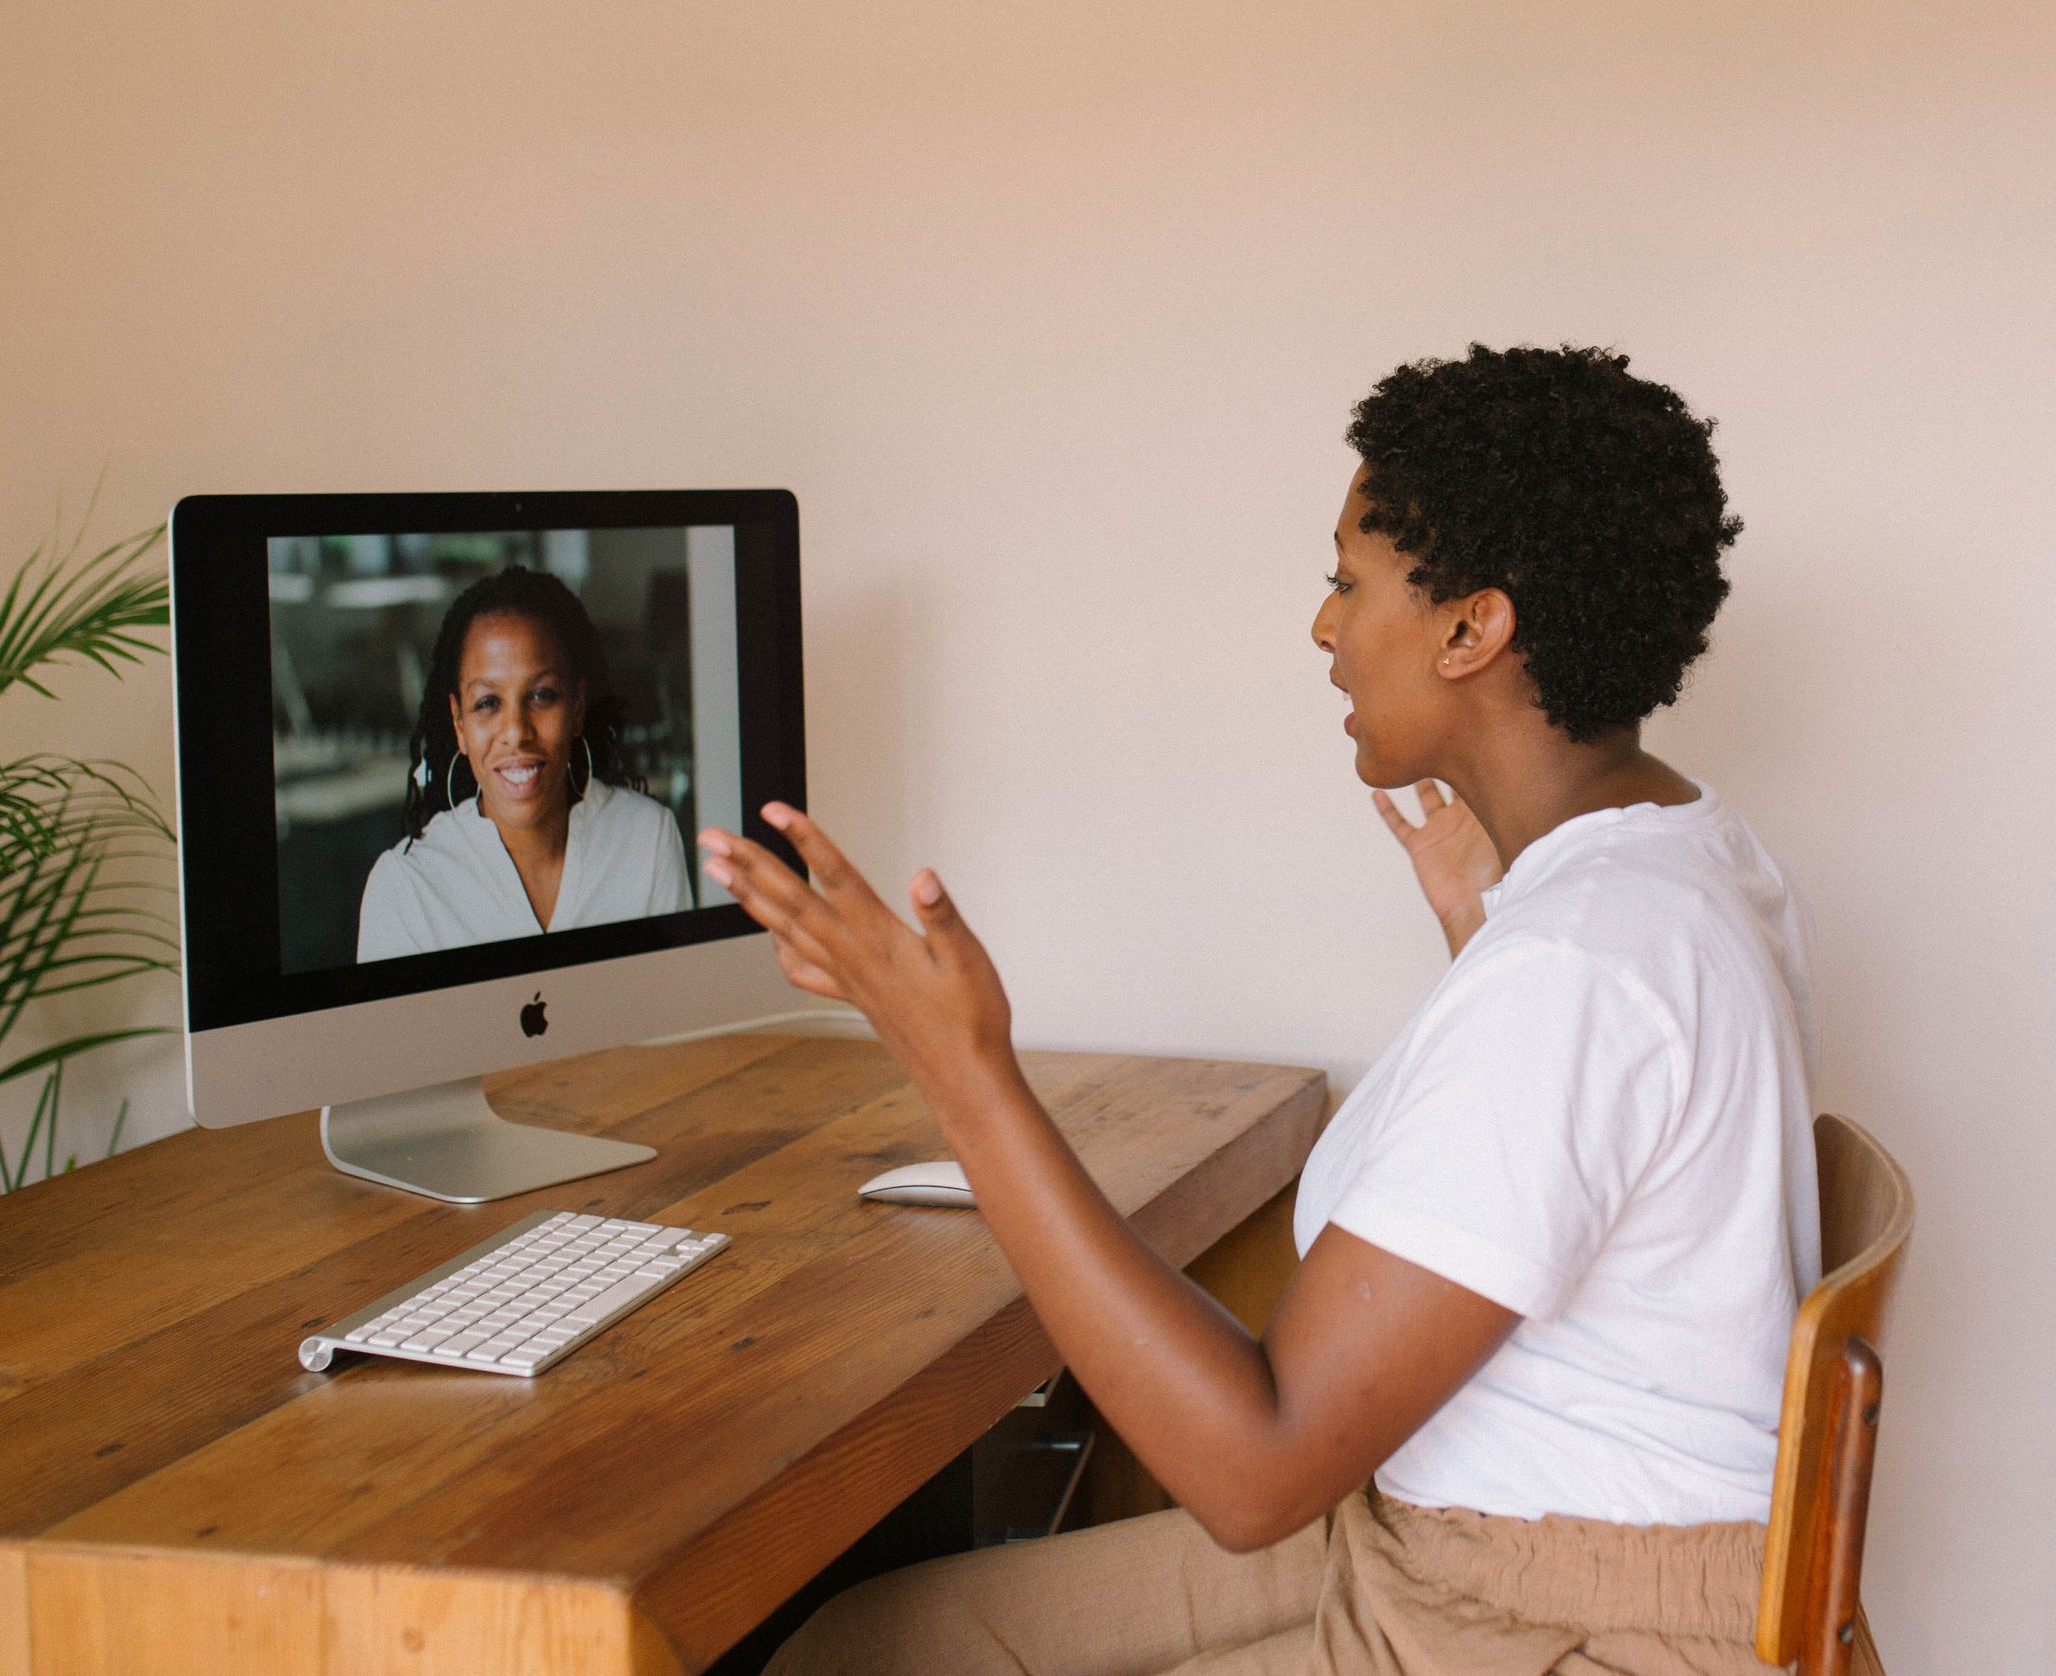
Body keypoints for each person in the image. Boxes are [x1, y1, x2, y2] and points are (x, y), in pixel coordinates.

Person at [704, 345, 1816, 1676]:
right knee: (871, 1645)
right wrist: (1482, 929)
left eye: (1349, 579)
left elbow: (1255, 1467)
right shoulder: (1676, 856)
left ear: (1472, 629)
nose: (1324, 625)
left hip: (1555, 1615)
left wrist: (963, 1067)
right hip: (1461, 1539)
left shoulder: (1578, 962)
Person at [356, 567, 692, 961]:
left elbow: (676, 1013)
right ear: (459, 724)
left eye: (541, 696)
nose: (516, 731)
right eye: (487, 703)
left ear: (577, 707)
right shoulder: (407, 886)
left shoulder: (646, 840)